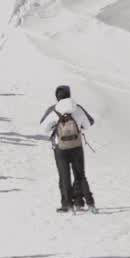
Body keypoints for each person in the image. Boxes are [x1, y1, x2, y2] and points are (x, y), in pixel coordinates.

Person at [40, 85, 97, 213]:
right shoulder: (78, 108)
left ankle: (67, 204)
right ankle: (84, 202)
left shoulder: (53, 110)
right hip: (76, 146)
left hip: (60, 147)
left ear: (57, 97)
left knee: (64, 175)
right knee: (80, 175)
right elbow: (88, 124)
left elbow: (43, 128)